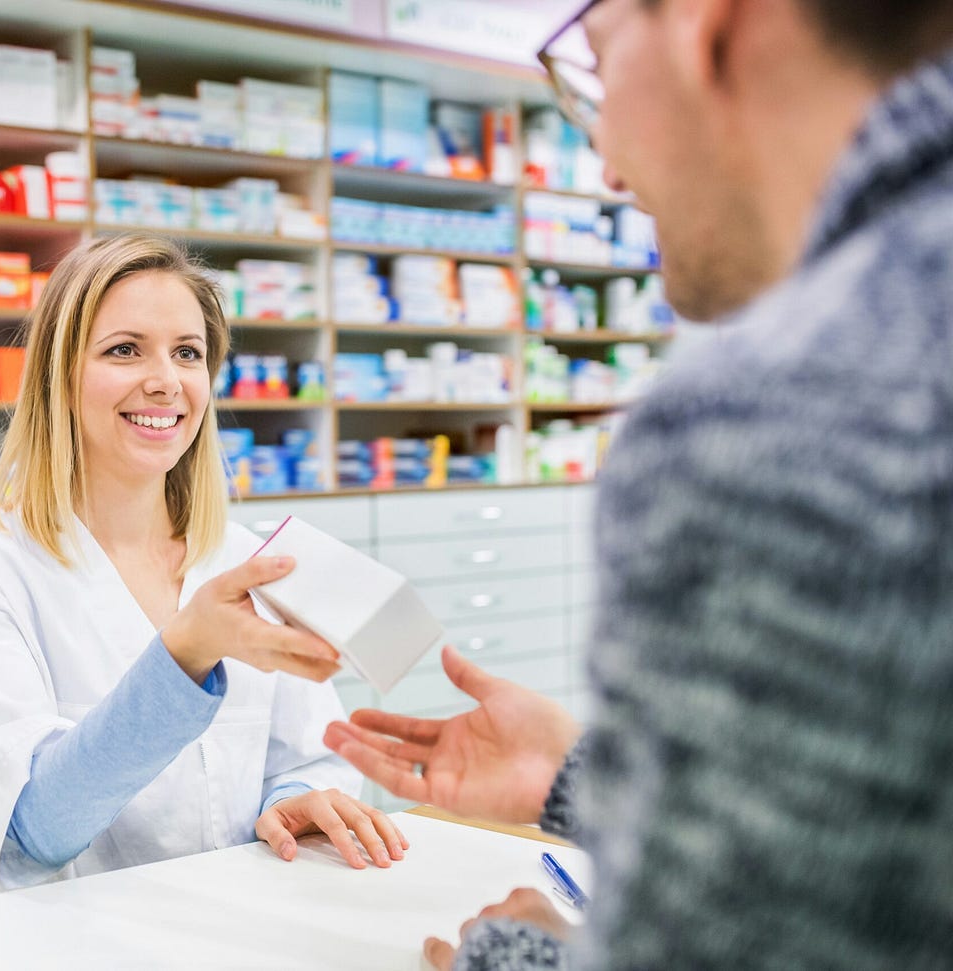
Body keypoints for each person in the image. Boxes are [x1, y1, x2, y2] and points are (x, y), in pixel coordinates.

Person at [325, 0, 953, 968]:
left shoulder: (779, 416)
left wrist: (519, 955)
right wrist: (581, 780)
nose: (609, 165)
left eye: (599, 64)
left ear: (703, 22)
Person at [0, 233, 406, 898]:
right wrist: (184, 653)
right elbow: (34, 828)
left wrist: (297, 798)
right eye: (124, 349)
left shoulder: (248, 559)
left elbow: (310, 752)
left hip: (235, 935)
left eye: (188, 353)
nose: (166, 381)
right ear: (59, 374)